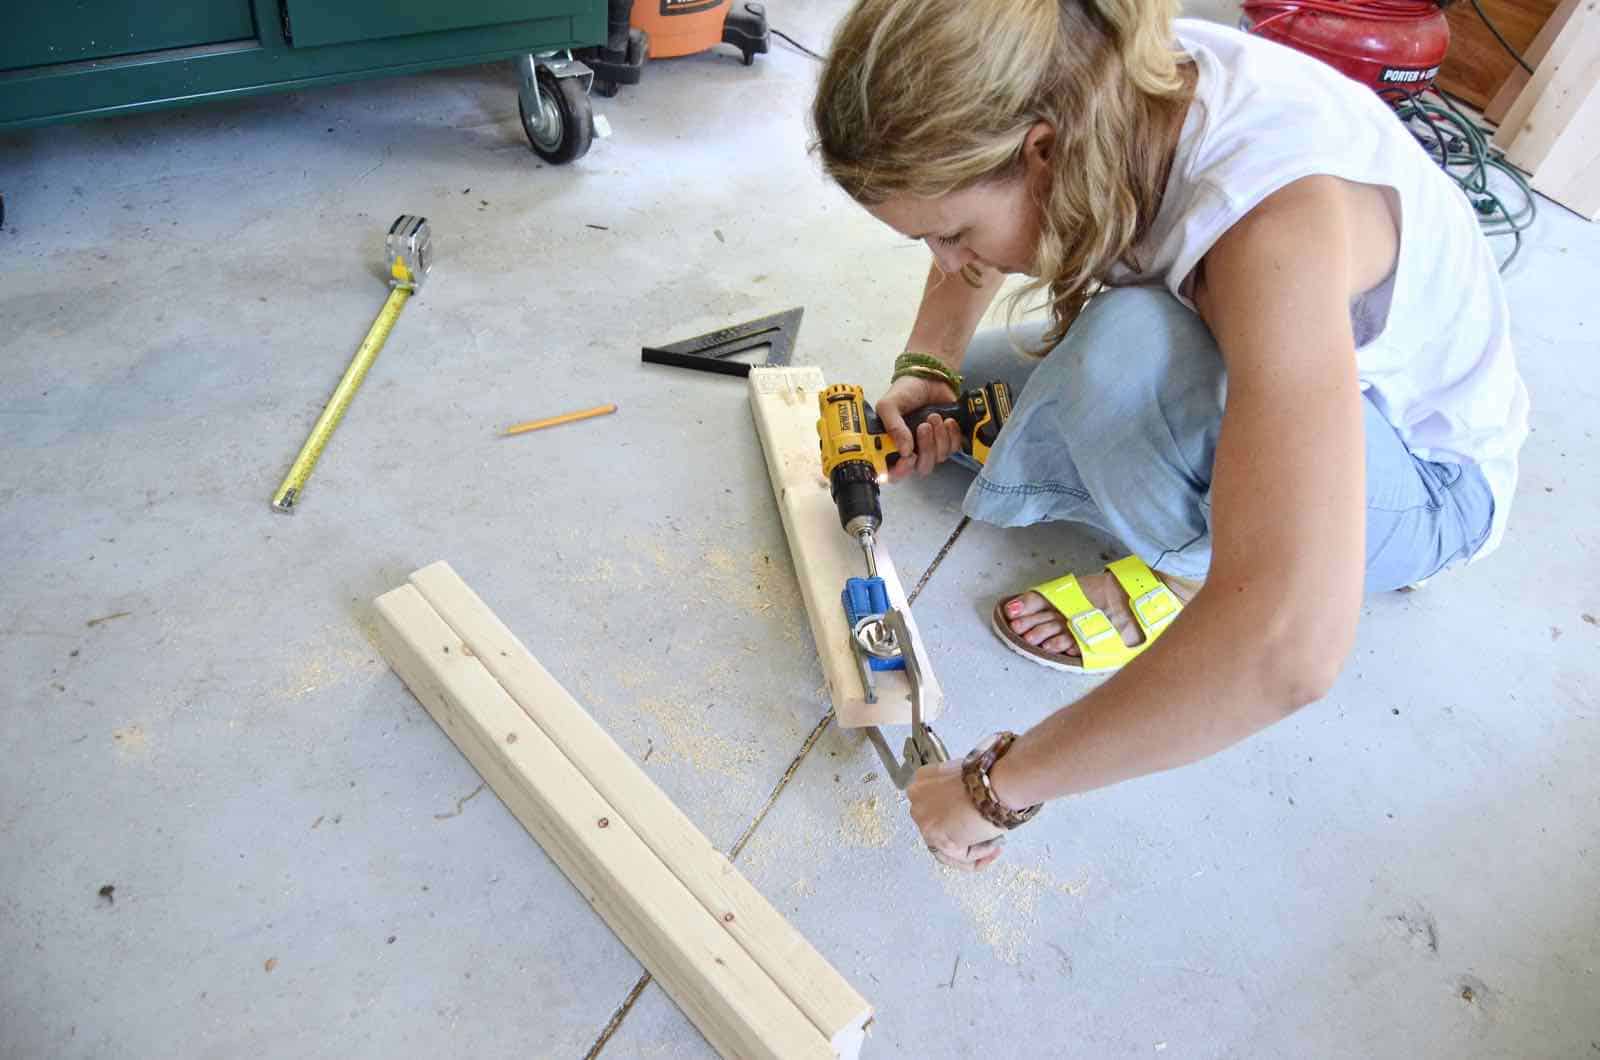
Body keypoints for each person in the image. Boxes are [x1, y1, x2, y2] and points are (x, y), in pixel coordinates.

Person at [810, 0, 1528, 869]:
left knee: (1121, 361)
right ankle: (1169, 489)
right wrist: (930, 360)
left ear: (1042, 151)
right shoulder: (1088, 69)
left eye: (955, 235)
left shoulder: (1273, 223)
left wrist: (996, 789)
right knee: (981, 395)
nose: (956, 262)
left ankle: (1181, 578)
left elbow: (1289, 648)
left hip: (1429, 477)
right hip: (1269, 349)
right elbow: (970, 218)